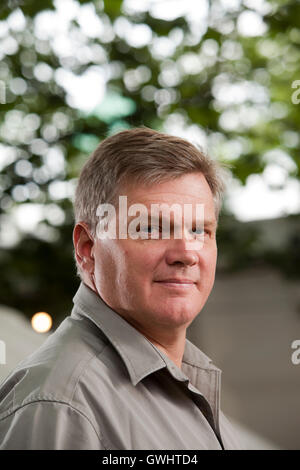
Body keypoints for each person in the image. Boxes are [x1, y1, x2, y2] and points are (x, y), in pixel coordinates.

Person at [0, 127, 242, 450]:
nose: (186, 253)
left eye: (200, 230)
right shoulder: (61, 406)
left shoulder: (187, 382)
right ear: (88, 248)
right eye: (152, 228)